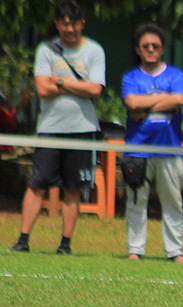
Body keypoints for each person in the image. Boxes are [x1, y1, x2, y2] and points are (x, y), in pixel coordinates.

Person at [10, 0, 105, 256]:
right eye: (64, 24)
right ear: (57, 24)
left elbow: (96, 89)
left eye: (74, 24)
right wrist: (79, 86)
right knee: (37, 184)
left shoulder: (94, 51)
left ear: (82, 23)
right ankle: (23, 240)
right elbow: (42, 89)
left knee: (73, 188)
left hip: (82, 130)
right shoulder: (46, 50)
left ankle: (65, 245)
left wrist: (60, 82)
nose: (69, 29)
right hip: (49, 129)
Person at [121, 23, 183, 262]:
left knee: (173, 203)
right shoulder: (131, 78)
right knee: (136, 202)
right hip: (137, 150)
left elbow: (180, 99)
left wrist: (146, 108)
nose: (150, 49)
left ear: (163, 49)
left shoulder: (175, 75)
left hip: (169, 149)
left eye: (155, 46)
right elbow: (132, 103)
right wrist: (165, 100)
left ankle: (175, 252)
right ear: (138, 49)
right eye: (145, 46)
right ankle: (135, 250)